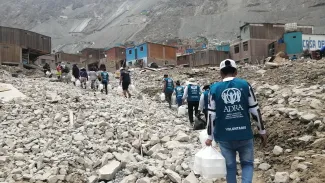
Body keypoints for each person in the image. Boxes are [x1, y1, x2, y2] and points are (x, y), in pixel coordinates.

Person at [206, 59, 267, 183]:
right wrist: (262, 130)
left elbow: (211, 115)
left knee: (230, 167)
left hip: (224, 137)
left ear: (221, 73)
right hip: (244, 134)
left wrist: (209, 137)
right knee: (248, 164)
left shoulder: (214, 89)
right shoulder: (245, 85)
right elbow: (255, 110)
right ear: (236, 72)